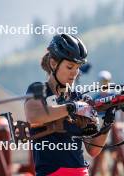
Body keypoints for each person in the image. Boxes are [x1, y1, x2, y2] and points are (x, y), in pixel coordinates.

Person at [24, 34, 115, 176]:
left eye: (78, 68)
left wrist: (107, 123)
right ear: (54, 64)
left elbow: (93, 150)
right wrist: (72, 107)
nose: (74, 73)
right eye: (70, 67)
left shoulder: (79, 97)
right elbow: (34, 116)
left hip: (81, 172)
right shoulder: (38, 89)